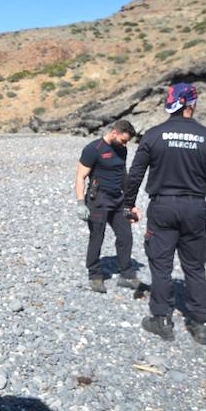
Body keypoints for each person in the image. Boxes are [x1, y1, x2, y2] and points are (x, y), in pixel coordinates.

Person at [124, 83, 206, 345]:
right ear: (191, 104)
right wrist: (198, 189)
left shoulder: (154, 135)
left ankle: (162, 320)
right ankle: (200, 323)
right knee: (194, 266)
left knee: (161, 266)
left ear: (170, 104)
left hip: (163, 205)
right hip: (194, 206)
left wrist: (129, 205)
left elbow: (136, 173)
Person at [74, 119, 140, 293]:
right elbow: (80, 176)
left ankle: (126, 275)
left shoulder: (122, 149)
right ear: (114, 133)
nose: (125, 144)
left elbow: (122, 174)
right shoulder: (93, 149)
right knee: (97, 236)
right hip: (98, 201)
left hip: (118, 200)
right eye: (123, 140)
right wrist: (81, 203)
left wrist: (130, 202)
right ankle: (95, 275)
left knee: (125, 235)